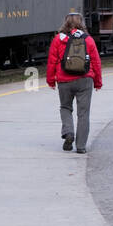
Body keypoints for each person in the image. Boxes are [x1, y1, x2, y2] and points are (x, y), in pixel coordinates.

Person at [45, 12, 102, 153]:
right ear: (81, 22)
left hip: (64, 80)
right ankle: (81, 146)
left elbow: (52, 61)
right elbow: (96, 62)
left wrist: (51, 80)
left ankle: (69, 132)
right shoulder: (88, 39)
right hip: (85, 79)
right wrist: (98, 82)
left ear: (65, 23)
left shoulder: (58, 39)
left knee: (65, 107)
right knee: (83, 113)